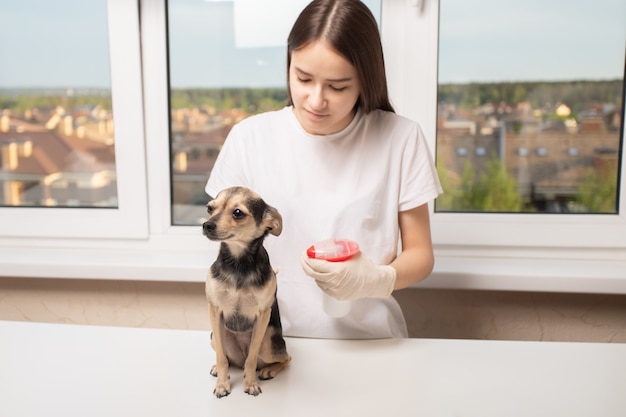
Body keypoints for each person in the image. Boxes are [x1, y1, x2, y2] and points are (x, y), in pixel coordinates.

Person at [205, 0, 442, 339]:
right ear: (289, 65)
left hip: (371, 342)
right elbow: (227, 247)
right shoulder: (250, 138)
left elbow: (421, 255)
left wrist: (376, 279)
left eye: (337, 86)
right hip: (272, 342)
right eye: (303, 78)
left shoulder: (400, 138)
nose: (316, 100)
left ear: (366, 79)